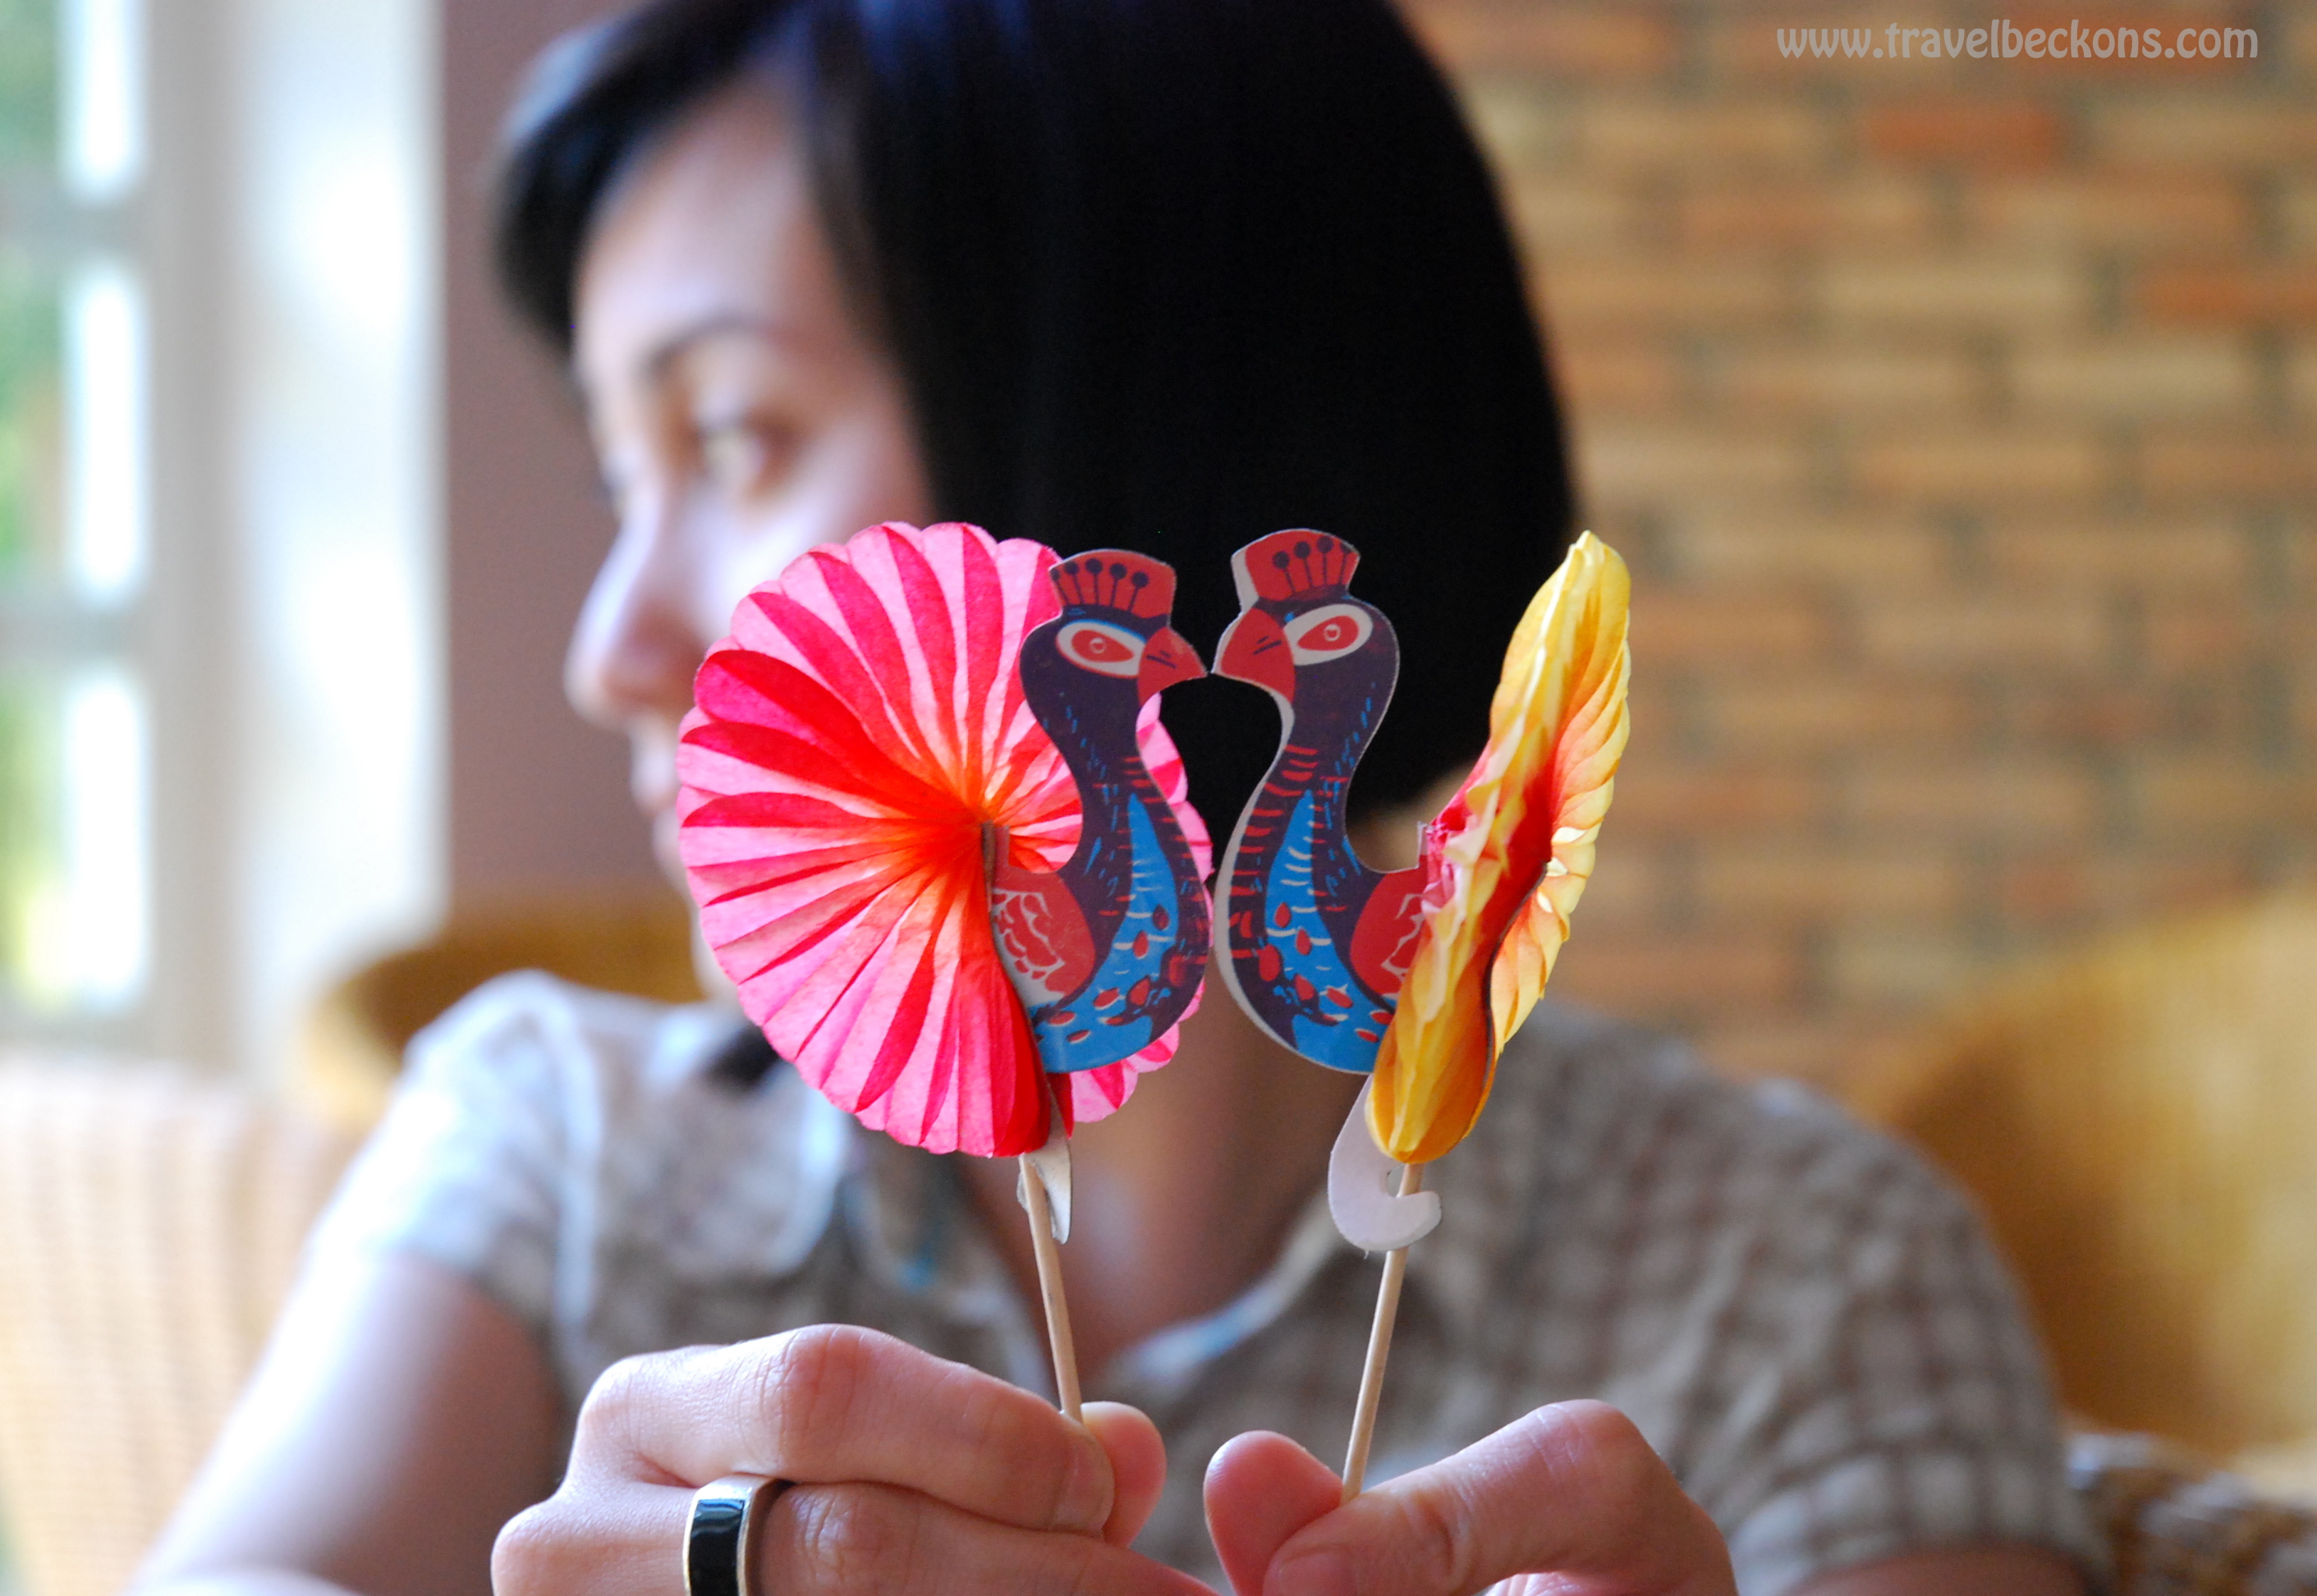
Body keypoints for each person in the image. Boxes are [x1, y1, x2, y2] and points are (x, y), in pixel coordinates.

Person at [133, 2, 2101, 1594]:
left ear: (1144, 430)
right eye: (609, 475)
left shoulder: (1799, 1280)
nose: (608, 645)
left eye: (728, 438)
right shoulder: (558, 1146)